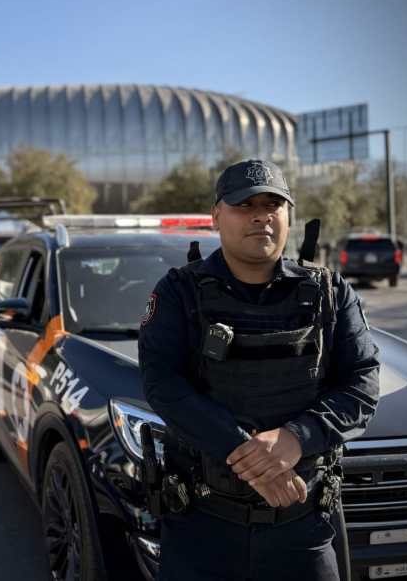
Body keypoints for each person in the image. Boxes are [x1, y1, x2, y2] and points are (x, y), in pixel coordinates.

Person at [139, 159, 380, 581]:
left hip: (302, 528)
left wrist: (295, 438)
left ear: (289, 214)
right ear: (216, 216)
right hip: (203, 529)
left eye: (272, 204)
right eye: (244, 205)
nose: (260, 216)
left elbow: (362, 384)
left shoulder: (330, 291)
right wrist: (249, 455)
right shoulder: (178, 291)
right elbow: (163, 384)